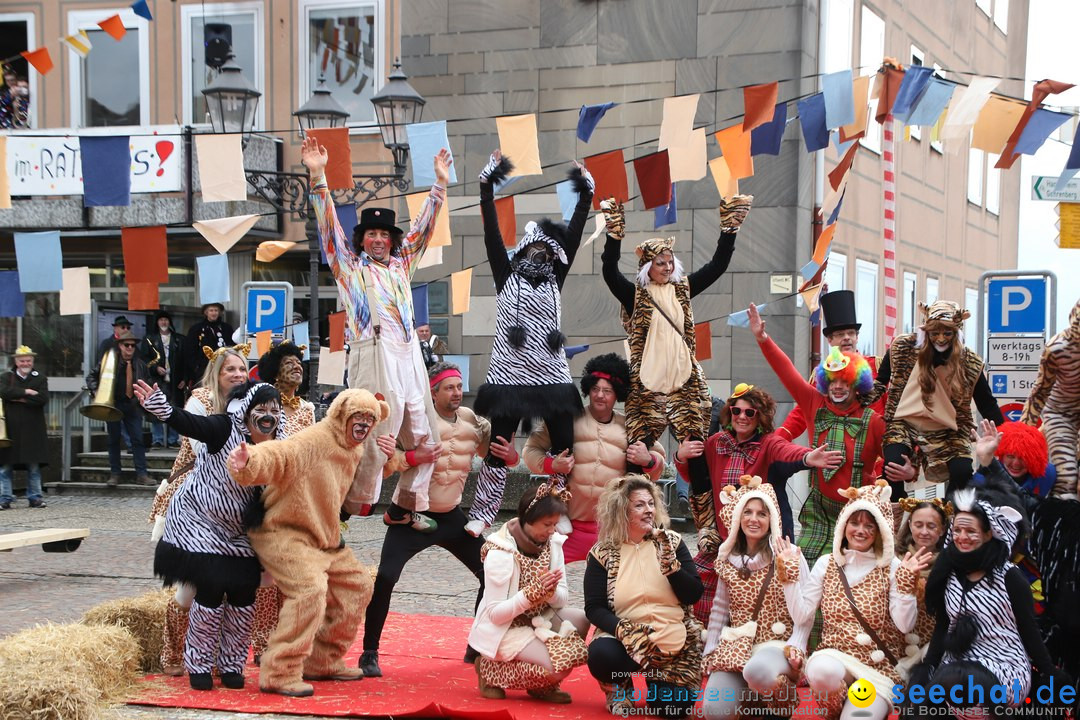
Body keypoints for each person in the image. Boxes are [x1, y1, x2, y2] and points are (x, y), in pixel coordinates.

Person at [303, 134, 451, 533]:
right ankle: (346, 510)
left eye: (385, 235)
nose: (380, 240)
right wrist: (318, 175)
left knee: (428, 436)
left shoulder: (404, 265)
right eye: (372, 235)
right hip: (373, 349)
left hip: (408, 351)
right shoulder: (350, 268)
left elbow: (424, 228)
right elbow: (328, 227)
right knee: (372, 433)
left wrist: (439, 184)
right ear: (362, 240)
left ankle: (405, 505)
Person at [600, 193, 751, 560]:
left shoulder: (683, 290)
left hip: (685, 388)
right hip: (647, 391)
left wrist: (728, 230)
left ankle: (707, 534)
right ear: (647, 267)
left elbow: (716, 266)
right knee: (635, 461)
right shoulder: (635, 296)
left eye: (670, 262)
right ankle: (627, 532)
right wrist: (613, 234)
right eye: (660, 263)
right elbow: (607, 270)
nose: (667, 267)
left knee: (695, 457)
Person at [466, 151, 594, 538]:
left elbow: (573, 231)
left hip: (551, 372)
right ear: (521, 250)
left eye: (546, 250)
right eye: (532, 249)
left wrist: (585, 190)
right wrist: (486, 185)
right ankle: (484, 513)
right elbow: (490, 229)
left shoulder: (557, 275)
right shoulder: (504, 274)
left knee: (565, 447)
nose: (540, 254)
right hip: (510, 373)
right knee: (499, 447)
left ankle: (557, 508)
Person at [227, 389, 386, 697]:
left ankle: (323, 660)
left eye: (370, 419)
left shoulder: (354, 446)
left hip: (323, 538)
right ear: (342, 415)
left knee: (359, 586)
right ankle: (279, 672)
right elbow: (280, 454)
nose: (364, 424)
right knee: (310, 590)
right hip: (283, 532)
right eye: (359, 417)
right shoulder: (316, 439)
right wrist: (249, 461)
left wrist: (395, 460)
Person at [360, 361, 507, 677]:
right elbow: (389, 462)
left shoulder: (473, 423)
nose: (456, 393)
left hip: (452, 517)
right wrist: (416, 456)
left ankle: (477, 646)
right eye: (449, 388)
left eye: (459, 386)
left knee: (493, 574)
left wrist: (511, 456)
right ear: (433, 391)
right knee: (385, 578)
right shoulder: (416, 424)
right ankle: (369, 653)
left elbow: (496, 456)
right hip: (411, 516)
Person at [135, 379, 281, 691]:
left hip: (241, 533)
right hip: (201, 523)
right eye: (261, 409)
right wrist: (161, 407)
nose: (268, 416)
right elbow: (188, 422)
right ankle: (199, 663)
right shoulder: (223, 428)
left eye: (274, 410)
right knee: (211, 591)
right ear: (246, 411)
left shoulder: (277, 444)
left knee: (244, 596)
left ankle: (231, 664)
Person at [674, 382, 841, 623]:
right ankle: (714, 646)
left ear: (759, 416)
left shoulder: (767, 444)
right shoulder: (716, 443)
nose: (742, 417)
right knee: (711, 602)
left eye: (749, 412)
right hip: (725, 537)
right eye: (737, 411)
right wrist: (681, 456)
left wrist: (807, 457)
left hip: (761, 541)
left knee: (763, 604)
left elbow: (786, 450)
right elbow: (694, 476)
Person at [748, 303, 885, 570]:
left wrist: (904, 468)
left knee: (857, 575)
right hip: (819, 509)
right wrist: (763, 339)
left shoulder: (874, 421)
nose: (837, 387)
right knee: (807, 571)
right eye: (832, 381)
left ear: (857, 385)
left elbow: (895, 450)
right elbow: (786, 371)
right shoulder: (815, 403)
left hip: (859, 512)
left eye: (844, 382)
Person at [777, 481, 930, 720]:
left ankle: (853, 707)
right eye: (855, 522)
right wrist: (789, 575)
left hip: (877, 669)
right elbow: (801, 615)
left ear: (880, 531)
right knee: (821, 670)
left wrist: (906, 583)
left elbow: (904, 625)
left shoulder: (892, 566)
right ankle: (835, 708)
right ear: (843, 525)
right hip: (835, 658)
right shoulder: (826, 563)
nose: (861, 530)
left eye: (870, 526)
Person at [913, 485, 1066, 712]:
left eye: (970, 532)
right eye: (957, 531)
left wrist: (1049, 672)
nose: (962, 537)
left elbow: (1028, 629)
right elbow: (943, 626)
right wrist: (927, 669)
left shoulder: (1010, 576)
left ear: (988, 534)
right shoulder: (948, 572)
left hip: (1004, 664)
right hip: (955, 662)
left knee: (963, 683)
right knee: (934, 691)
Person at [149, 344, 249, 676]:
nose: (237, 374)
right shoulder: (202, 402)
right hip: (196, 503)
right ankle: (174, 651)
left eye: (242, 369)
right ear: (216, 374)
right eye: (229, 369)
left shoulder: (254, 406)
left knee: (239, 584)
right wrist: (165, 411)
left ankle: (222, 656)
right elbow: (202, 442)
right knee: (191, 588)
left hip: (238, 504)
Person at [522, 352, 665, 562]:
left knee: (620, 589)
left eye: (607, 391)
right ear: (588, 389)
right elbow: (530, 450)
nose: (600, 395)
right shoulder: (568, 419)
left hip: (614, 528)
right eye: (595, 389)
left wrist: (648, 460)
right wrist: (552, 464)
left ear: (617, 394)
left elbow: (658, 463)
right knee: (541, 578)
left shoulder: (630, 426)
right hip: (566, 526)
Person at [585, 476, 704, 717]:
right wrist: (624, 630)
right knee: (601, 655)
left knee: (673, 709)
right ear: (621, 510)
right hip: (628, 639)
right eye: (639, 505)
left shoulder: (672, 541)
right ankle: (620, 687)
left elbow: (693, 594)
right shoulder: (603, 552)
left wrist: (672, 568)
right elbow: (594, 607)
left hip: (674, 638)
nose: (649, 510)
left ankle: (657, 680)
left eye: (651, 504)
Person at [773, 290, 908, 497]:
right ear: (829, 340)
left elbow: (900, 416)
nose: (846, 338)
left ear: (857, 337)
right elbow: (801, 414)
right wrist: (776, 440)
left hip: (878, 470)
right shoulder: (821, 375)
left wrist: (908, 458)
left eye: (851, 333)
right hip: (831, 470)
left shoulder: (879, 367)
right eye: (840, 334)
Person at [468, 483, 590, 704]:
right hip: (506, 627)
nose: (552, 530)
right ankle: (490, 671)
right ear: (527, 518)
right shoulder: (500, 552)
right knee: (557, 667)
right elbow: (495, 614)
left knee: (581, 619)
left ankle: (542, 687)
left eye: (555, 524)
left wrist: (549, 592)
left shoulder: (553, 543)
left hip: (539, 617)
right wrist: (531, 594)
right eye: (547, 524)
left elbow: (562, 598)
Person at [699, 477, 809, 720]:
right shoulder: (728, 558)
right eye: (747, 512)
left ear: (772, 519)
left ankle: (780, 704)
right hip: (738, 646)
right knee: (715, 712)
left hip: (777, 645)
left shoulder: (789, 554)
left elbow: (806, 612)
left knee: (757, 670)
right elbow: (719, 608)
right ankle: (755, 700)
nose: (753, 519)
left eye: (762, 513)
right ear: (737, 517)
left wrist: (799, 647)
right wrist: (711, 650)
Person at [868, 300, 1003, 495]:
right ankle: (894, 515)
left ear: (956, 333)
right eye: (934, 333)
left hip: (949, 428)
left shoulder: (970, 362)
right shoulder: (902, 349)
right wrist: (858, 392)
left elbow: (987, 404)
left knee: (962, 471)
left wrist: (1009, 436)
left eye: (947, 333)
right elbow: (880, 382)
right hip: (904, 422)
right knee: (893, 466)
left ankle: (952, 517)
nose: (940, 339)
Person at [248, 341, 317, 666]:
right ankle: (262, 644)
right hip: (265, 495)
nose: (297, 368)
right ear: (275, 370)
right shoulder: (262, 403)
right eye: (290, 363)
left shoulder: (307, 409)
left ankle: (289, 640)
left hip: (297, 499)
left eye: (299, 364)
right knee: (266, 575)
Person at [1022, 297, 1080, 497]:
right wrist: (1023, 433)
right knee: (1066, 477)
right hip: (1061, 412)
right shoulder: (1057, 348)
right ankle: (1063, 524)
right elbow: (1040, 390)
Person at [893, 497, 949, 679]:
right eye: (918, 525)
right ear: (909, 525)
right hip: (895, 643)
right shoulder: (893, 559)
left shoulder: (951, 563)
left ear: (942, 530)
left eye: (931, 526)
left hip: (933, 645)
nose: (924, 532)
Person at [89, 329, 151, 487]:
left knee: (137, 440)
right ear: (120, 346)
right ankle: (115, 474)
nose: (130, 348)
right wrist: (96, 390)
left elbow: (148, 382)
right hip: (114, 405)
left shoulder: (140, 364)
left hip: (133, 406)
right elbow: (91, 376)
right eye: (126, 345)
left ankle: (142, 474)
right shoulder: (109, 361)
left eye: (132, 345)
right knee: (113, 440)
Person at [0, 346, 49, 509]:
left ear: (32, 361)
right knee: (5, 465)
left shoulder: (40, 378)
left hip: (33, 429)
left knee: (33, 466)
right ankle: (5, 498)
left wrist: (18, 398)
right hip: (10, 429)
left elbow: (42, 399)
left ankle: (35, 497)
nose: (25, 363)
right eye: (22, 360)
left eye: (28, 360)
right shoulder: (7, 377)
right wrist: (26, 391)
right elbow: (3, 392)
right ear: (16, 361)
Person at [141, 310, 187, 449]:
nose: (163, 322)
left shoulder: (179, 339)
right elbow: (144, 360)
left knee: (174, 409)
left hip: (175, 380)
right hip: (157, 380)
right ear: (157, 322)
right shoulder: (149, 339)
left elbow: (185, 362)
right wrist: (155, 368)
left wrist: (185, 378)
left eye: (166, 320)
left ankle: (173, 439)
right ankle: (158, 439)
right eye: (161, 320)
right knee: (157, 408)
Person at [186, 303, 235, 385]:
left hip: (223, 367)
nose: (214, 313)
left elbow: (232, 347)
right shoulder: (196, 329)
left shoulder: (227, 328)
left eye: (216, 310)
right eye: (211, 310)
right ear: (206, 312)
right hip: (203, 370)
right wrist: (196, 368)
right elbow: (190, 350)